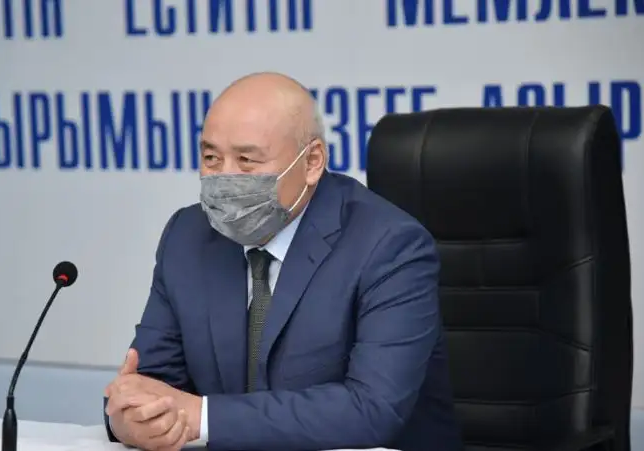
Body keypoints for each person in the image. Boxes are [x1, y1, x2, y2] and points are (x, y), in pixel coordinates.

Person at [103, 72, 463, 451]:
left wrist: (202, 417)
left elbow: (372, 409)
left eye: (246, 160)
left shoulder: (389, 245)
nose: (224, 177)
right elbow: (152, 379)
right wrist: (128, 417)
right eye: (211, 157)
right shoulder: (188, 236)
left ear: (312, 162)